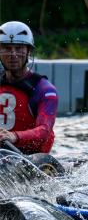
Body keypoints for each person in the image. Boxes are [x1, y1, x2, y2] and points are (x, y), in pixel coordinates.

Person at [0, 21, 58, 154]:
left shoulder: (45, 90)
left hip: (30, 159)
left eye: (19, 48)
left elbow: (44, 130)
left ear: (28, 51)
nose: (13, 54)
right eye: (7, 48)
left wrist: (14, 136)